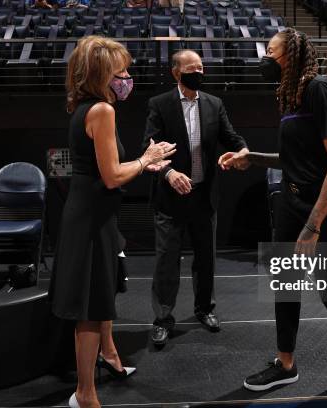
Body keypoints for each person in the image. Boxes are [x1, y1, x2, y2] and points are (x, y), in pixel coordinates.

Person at [219, 29, 327, 401]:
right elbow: (293, 159)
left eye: (270, 51)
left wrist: (313, 225)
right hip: (292, 200)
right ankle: (285, 364)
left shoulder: (320, 89)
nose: (264, 58)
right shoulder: (290, 96)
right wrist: (251, 157)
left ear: (292, 55)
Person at [50, 36, 175, 408]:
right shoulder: (102, 112)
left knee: (100, 297)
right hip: (90, 221)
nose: (126, 77)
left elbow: (110, 169)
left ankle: (110, 355)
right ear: (102, 74)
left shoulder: (91, 107)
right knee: (90, 311)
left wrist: (141, 164)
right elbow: (111, 177)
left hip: (93, 215)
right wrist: (145, 158)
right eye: (121, 71)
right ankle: (85, 394)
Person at [143, 50, 249, 347]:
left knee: (206, 259)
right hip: (171, 196)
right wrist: (169, 173)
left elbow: (232, 137)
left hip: (204, 195)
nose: (199, 73)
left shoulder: (215, 104)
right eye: (192, 68)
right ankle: (163, 318)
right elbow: (148, 148)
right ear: (177, 72)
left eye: (202, 67)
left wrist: (242, 151)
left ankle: (205, 309)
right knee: (167, 261)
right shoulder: (160, 105)